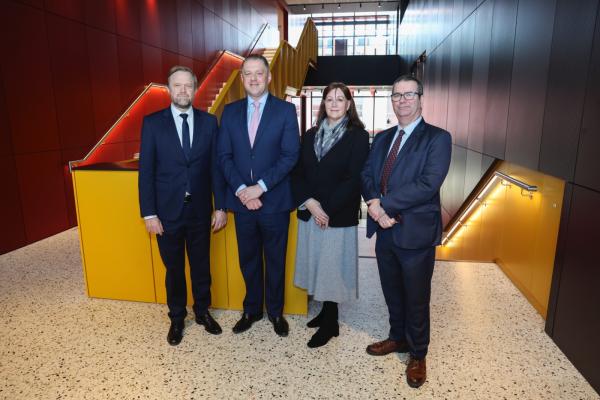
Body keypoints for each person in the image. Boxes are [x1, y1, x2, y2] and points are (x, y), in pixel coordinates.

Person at [360, 75, 451, 388]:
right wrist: (373, 203)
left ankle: (418, 353)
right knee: (392, 291)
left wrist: (383, 205)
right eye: (396, 95)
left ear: (420, 98)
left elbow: (428, 184)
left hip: (415, 234)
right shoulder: (383, 137)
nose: (402, 100)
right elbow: (367, 173)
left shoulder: (438, 138)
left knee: (416, 297)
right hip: (384, 232)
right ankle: (397, 338)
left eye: (408, 94)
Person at [138, 65, 227, 346]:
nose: (183, 90)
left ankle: (202, 312)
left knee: (201, 267)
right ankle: (177, 317)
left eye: (188, 85)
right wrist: (149, 213)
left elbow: (215, 169)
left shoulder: (209, 122)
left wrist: (221, 206)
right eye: (177, 85)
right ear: (168, 89)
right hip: (167, 214)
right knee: (174, 269)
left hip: (201, 212)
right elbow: (147, 173)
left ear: (195, 88)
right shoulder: (152, 123)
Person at [217, 55, 300, 337]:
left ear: (269, 77)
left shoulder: (286, 111)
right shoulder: (229, 112)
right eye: (248, 74)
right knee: (248, 259)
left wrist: (260, 187)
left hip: (274, 202)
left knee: (276, 259)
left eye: (259, 73)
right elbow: (224, 156)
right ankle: (252, 309)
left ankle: (275, 312)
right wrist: (242, 190)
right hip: (242, 205)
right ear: (242, 79)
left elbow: (291, 156)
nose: (253, 79)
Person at [292, 82, 369, 348]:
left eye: (340, 99)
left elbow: (353, 179)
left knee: (332, 269)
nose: (334, 104)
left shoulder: (358, 136)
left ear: (349, 104)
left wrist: (326, 210)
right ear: (323, 104)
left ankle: (330, 323)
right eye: (329, 99)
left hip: (337, 215)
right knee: (318, 264)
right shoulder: (310, 134)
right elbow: (298, 172)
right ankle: (326, 311)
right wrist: (310, 203)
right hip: (310, 211)